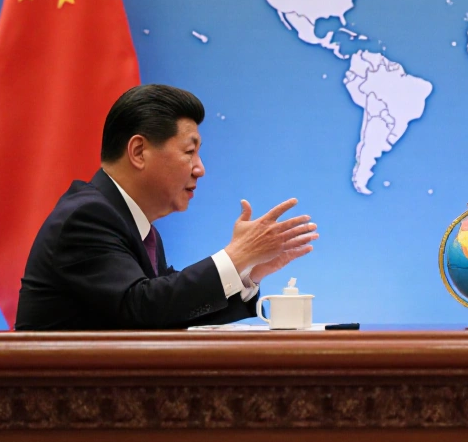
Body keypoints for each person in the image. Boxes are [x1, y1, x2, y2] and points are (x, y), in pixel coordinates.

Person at [16, 84, 318, 330]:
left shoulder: (138, 229)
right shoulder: (86, 217)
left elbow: (171, 311)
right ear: (138, 152)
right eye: (190, 151)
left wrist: (247, 270)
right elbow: (142, 307)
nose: (200, 169)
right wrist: (237, 255)